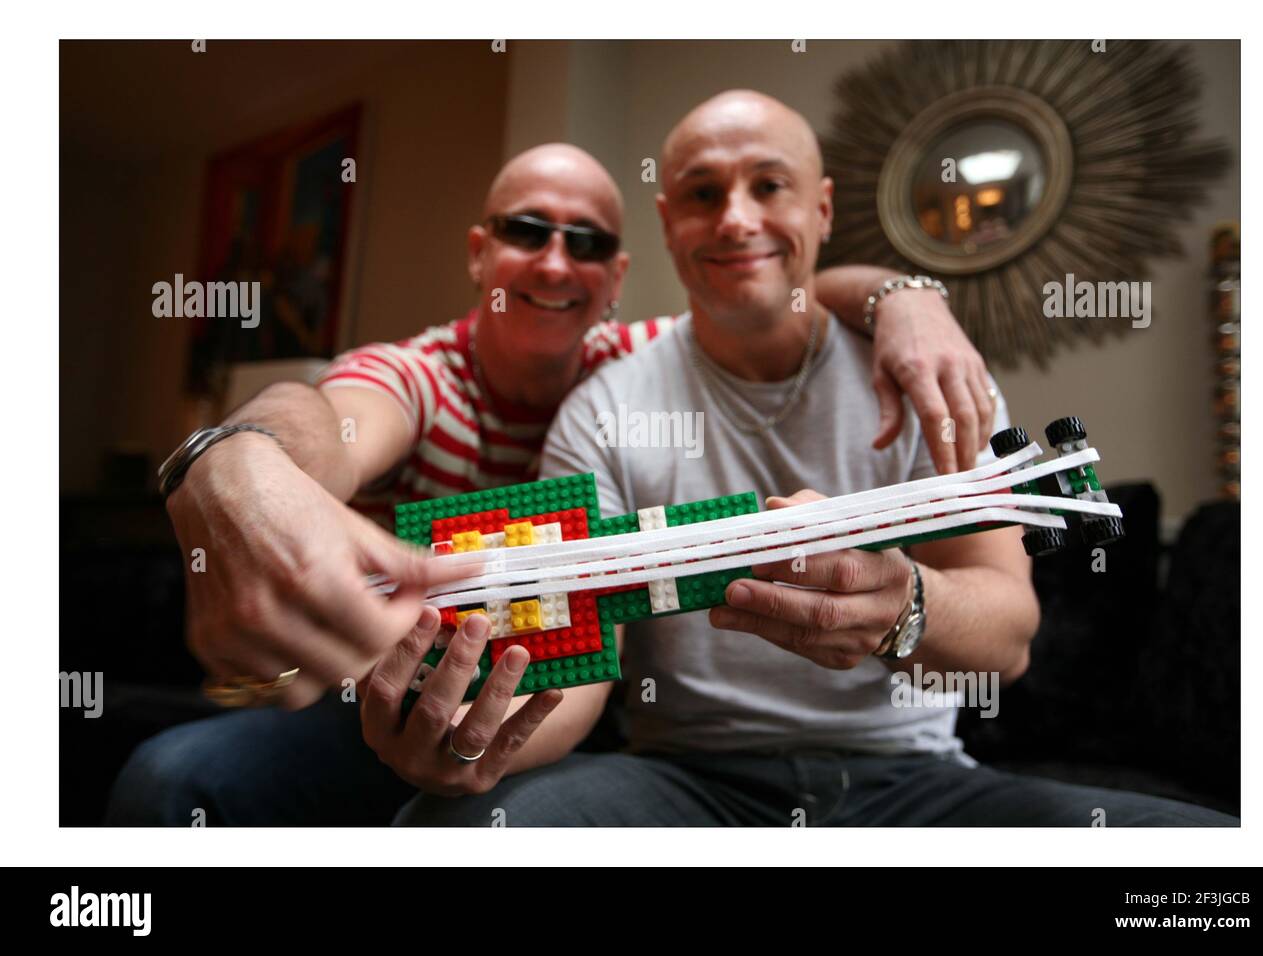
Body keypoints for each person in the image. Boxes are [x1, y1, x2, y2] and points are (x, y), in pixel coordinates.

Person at [388, 91, 1236, 826]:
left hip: (918, 784)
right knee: (445, 830)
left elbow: (1008, 637)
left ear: (823, 209)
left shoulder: (931, 378)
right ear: (666, 226)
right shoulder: (602, 409)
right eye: (702, 193)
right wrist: (479, 736)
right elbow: (579, 669)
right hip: (685, 783)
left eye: (770, 185)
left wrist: (907, 604)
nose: (736, 218)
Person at [106, 141, 993, 825]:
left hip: (560, 711)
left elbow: (775, 287)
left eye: (589, 243)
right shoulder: (420, 377)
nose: (556, 262)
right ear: (478, 252)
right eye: (528, 230)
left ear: (615, 279)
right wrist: (244, 454)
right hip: (387, 695)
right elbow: (329, 422)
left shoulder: (637, 366)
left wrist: (906, 295)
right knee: (170, 778)